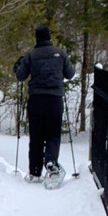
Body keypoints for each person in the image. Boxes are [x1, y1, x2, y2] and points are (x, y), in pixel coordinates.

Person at [14, 24, 75, 184]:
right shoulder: (60, 53)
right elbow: (70, 74)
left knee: (36, 136)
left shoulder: (31, 55)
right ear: (49, 37)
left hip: (36, 99)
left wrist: (19, 65)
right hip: (54, 99)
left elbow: (20, 76)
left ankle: (35, 172)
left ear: (37, 38)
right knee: (53, 134)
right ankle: (51, 161)